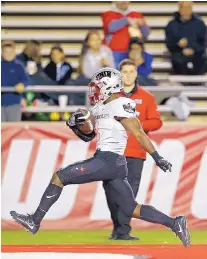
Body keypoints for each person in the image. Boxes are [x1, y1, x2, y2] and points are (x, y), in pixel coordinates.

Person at [10, 67, 190, 247]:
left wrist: (157, 157)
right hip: (112, 162)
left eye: (97, 87)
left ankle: (35, 220)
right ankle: (175, 223)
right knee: (130, 208)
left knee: (59, 177)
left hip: (108, 160)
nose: (94, 91)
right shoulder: (99, 107)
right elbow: (89, 137)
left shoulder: (121, 103)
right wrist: (76, 126)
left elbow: (139, 133)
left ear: (108, 86)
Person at [106, 59, 163, 240]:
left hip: (135, 152)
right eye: (125, 72)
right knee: (111, 191)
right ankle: (118, 228)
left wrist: (134, 124)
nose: (128, 75)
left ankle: (123, 230)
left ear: (136, 74)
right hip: (112, 151)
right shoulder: (110, 96)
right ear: (119, 75)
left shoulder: (147, 97)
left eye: (132, 71)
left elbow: (157, 121)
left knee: (128, 193)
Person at [165, 1, 207, 75]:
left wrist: (193, 50)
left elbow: (204, 42)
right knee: (178, 61)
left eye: (188, 8)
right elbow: (168, 43)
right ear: (179, 9)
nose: (186, 11)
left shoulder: (199, 24)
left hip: (197, 55)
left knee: (204, 61)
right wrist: (178, 45)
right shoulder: (172, 24)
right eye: (184, 8)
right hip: (179, 54)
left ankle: (196, 83)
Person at [101, 1, 150, 66]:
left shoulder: (136, 14)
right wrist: (127, 20)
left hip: (134, 52)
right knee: (116, 74)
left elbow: (146, 33)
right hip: (114, 52)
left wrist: (142, 25)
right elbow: (110, 27)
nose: (123, 1)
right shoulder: (108, 14)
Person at [1, 40, 29, 122]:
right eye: (6, 51)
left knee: (13, 128)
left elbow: (26, 80)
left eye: (11, 51)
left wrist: (22, 84)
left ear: (14, 52)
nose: (8, 54)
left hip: (14, 103)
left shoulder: (19, 66)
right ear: (2, 52)